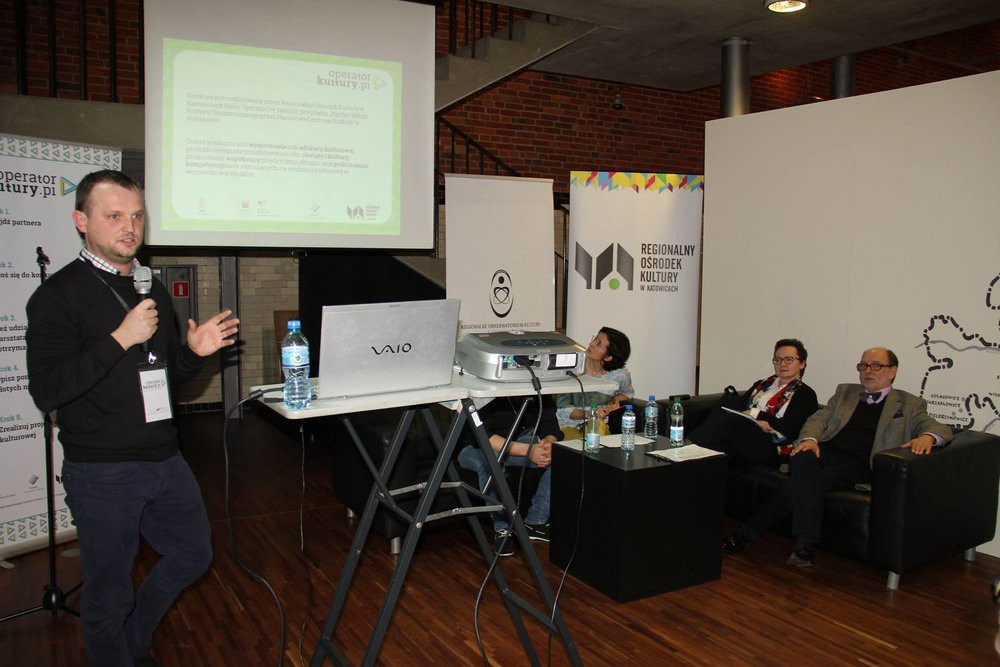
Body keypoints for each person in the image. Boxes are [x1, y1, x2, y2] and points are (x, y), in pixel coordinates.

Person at [25, 170, 239, 667]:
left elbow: (163, 375)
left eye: (137, 215)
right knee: (109, 595)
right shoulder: (57, 296)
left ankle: (134, 643)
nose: (130, 226)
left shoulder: (151, 288)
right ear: (81, 221)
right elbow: (47, 390)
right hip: (101, 470)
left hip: (164, 458)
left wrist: (193, 353)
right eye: (115, 215)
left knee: (193, 554)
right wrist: (120, 338)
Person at [722, 347, 952, 567]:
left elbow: (939, 428)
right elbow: (818, 419)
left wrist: (928, 437)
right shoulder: (846, 392)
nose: (868, 371)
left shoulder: (909, 404)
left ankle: (750, 535)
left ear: (892, 371)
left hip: (858, 465)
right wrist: (810, 439)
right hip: (825, 451)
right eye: (863, 366)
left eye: (876, 366)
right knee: (802, 454)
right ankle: (801, 546)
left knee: (798, 483)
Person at [457, 395, 559, 557]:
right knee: (489, 465)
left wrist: (548, 444)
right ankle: (502, 529)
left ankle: (535, 522)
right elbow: (483, 436)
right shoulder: (484, 394)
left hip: (519, 442)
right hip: (474, 447)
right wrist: (529, 451)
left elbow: (550, 424)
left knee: (561, 458)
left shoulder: (536, 390)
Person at [688, 338, 818, 465]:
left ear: (802, 363)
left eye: (789, 359)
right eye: (777, 360)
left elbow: (791, 430)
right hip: (745, 435)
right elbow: (740, 408)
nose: (782, 364)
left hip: (773, 444)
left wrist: (755, 414)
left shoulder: (805, 394)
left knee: (733, 422)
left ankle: (686, 444)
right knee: (717, 448)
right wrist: (755, 421)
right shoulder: (762, 385)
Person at [556, 326, 634, 439]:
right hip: (568, 427)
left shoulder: (619, 375)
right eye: (594, 339)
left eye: (598, 344)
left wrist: (616, 400)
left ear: (608, 357)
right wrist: (592, 414)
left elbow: (628, 393)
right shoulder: (572, 368)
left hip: (599, 426)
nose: (591, 343)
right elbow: (563, 410)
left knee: (599, 437)